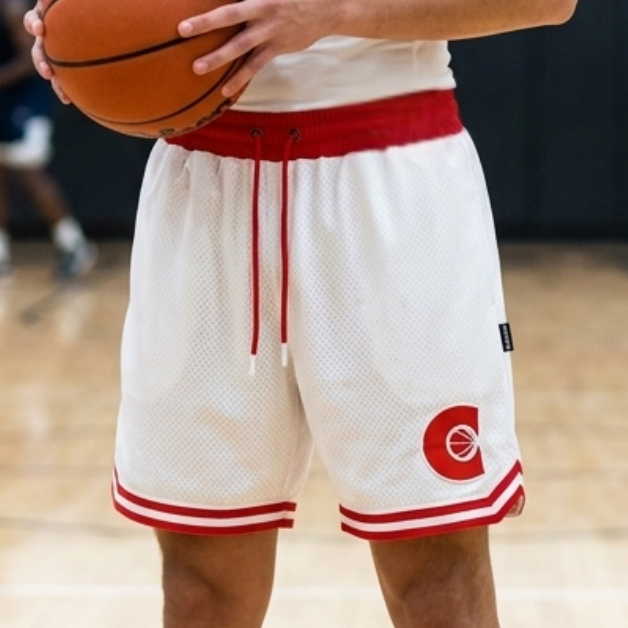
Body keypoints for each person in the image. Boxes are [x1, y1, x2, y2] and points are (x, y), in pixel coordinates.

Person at [26, 1, 577, 626]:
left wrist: (336, 11)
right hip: (204, 181)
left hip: (386, 169)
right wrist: (77, 31)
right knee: (201, 585)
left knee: (434, 576)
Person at [0, 0, 96, 279]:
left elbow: (29, 60)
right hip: (5, 103)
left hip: (25, 103)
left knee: (31, 174)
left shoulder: (11, 9)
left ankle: (75, 245)